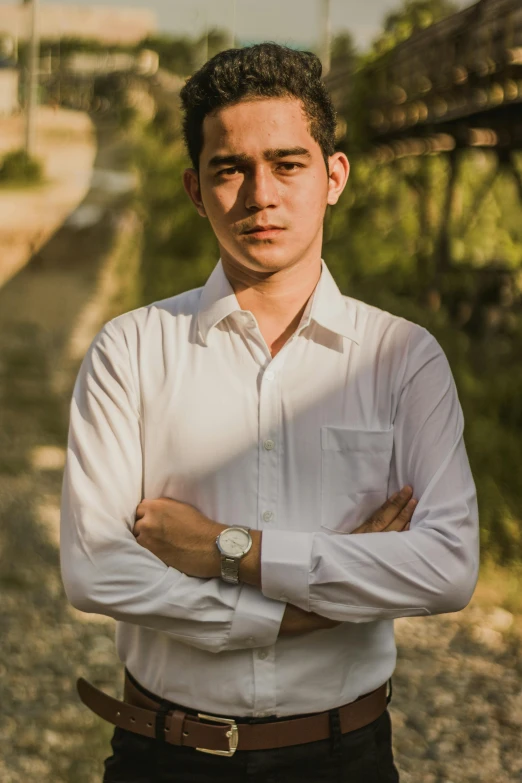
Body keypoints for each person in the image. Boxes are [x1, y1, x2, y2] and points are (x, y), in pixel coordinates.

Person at [60, 43, 479, 783]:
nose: (261, 194)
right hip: (164, 756)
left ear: (334, 177)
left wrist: (229, 548)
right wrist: (311, 605)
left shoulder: (402, 358)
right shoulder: (131, 349)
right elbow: (95, 568)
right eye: (231, 168)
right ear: (195, 189)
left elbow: (447, 566)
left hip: (344, 756)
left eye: (288, 164)